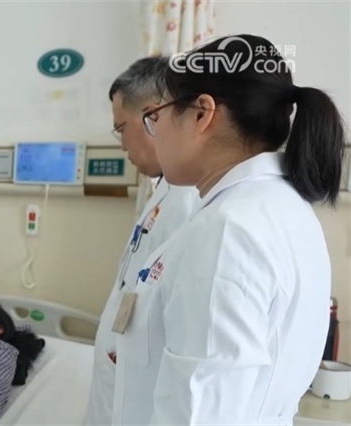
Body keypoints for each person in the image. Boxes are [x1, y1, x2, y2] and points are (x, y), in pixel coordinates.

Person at [113, 34, 344, 425]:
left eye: (158, 115)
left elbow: (198, 413)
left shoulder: (228, 232)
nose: (156, 130)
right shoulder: (279, 207)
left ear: (201, 114)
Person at [83, 56, 200, 426]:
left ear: (153, 116)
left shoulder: (191, 199)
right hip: (119, 378)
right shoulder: (165, 190)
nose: (121, 145)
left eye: (121, 128)